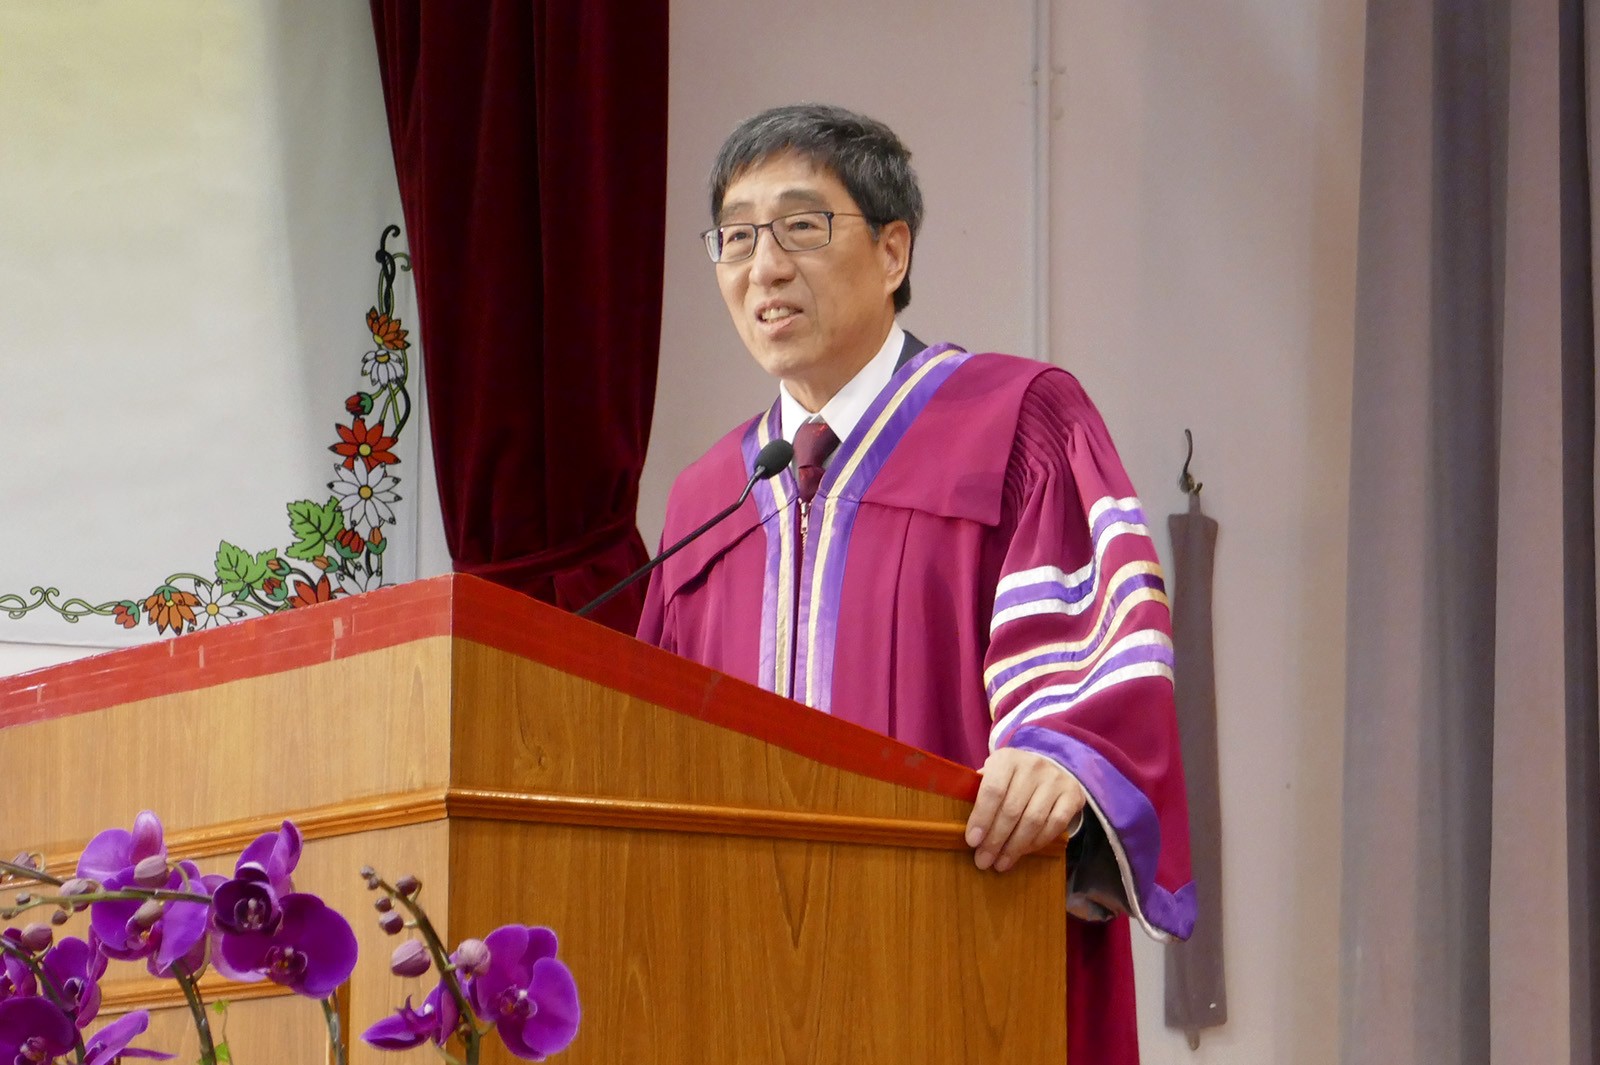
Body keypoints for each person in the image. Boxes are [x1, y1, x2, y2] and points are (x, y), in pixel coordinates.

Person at [638, 103, 1193, 1064]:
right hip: (742, 988)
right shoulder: (704, 502)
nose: (763, 266)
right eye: (734, 236)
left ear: (893, 252)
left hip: (962, 966)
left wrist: (1063, 755)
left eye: (801, 227)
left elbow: (1102, 655)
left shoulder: (1016, 420)